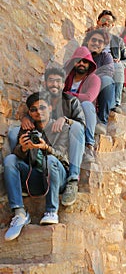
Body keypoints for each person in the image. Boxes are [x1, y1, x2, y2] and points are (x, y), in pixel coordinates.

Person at [8, 67, 86, 207]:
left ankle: (73, 179)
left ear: (63, 85)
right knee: (14, 134)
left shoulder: (71, 102)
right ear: (45, 84)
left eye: (58, 81)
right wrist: (25, 119)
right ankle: (17, 181)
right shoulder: (40, 99)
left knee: (76, 128)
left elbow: (81, 126)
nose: (54, 84)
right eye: (51, 81)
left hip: (59, 144)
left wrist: (66, 119)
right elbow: (34, 109)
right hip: (41, 145)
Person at [4, 91, 68, 241]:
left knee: (51, 159)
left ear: (50, 108)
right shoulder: (27, 128)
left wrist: (46, 148)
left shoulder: (61, 128)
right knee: (10, 160)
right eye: (33, 109)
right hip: (37, 178)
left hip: (58, 177)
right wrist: (23, 148)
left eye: (42, 107)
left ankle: (52, 211)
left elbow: (65, 159)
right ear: (30, 113)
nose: (38, 112)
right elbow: (17, 154)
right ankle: (20, 214)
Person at [64, 46, 101, 162]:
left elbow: (89, 97)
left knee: (86, 105)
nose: (81, 64)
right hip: (67, 111)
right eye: (78, 61)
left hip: (84, 115)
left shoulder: (94, 79)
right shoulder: (66, 78)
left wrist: (68, 94)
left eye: (85, 61)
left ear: (89, 64)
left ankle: (89, 145)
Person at [96, 10, 126, 113]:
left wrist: (120, 62)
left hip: (114, 67)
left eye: (109, 22)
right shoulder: (92, 37)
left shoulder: (118, 41)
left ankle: (115, 102)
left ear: (112, 25)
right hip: (98, 65)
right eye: (103, 20)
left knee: (118, 66)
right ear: (98, 22)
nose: (106, 23)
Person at [82, 29, 114, 135]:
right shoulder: (81, 54)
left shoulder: (106, 57)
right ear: (88, 41)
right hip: (80, 85)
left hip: (96, 85)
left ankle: (102, 121)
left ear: (104, 45)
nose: (96, 43)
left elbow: (107, 72)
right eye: (94, 40)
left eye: (100, 42)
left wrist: (91, 77)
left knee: (107, 81)